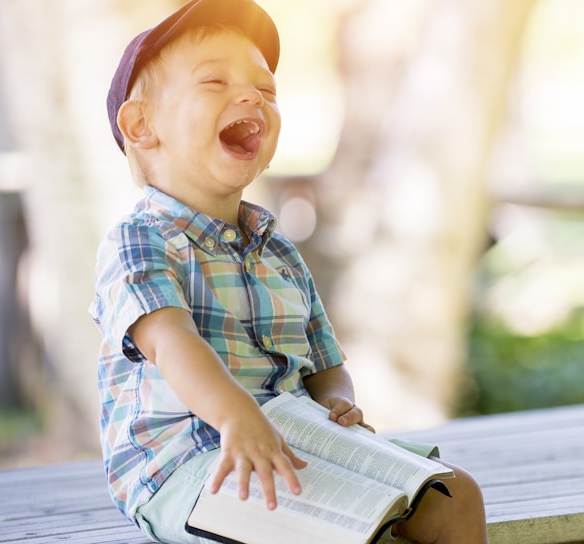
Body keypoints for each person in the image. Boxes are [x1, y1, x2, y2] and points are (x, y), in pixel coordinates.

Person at [88, 1, 487, 542]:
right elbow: (172, 341)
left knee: (455, 496)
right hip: (188, 463)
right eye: (214, 80)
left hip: (296, 444)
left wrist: (336, 400)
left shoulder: (279, 251)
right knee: (324, 528)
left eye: (267, 89)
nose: (252, 95)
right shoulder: (140, 240)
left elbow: (325, 363)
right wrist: (235, 416)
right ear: (141, 126)